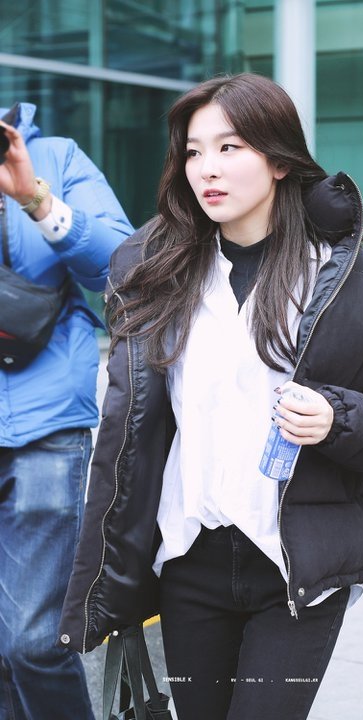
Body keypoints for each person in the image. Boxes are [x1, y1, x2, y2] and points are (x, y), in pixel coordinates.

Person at [59, 73, 363, 720]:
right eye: (193, 151)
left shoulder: (346, 277)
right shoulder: (156, 273)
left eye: (229, 147)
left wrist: (338, 417)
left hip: (296, 570)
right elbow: (132, 430)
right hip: (187, 559)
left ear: (278, 159)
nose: (206, 168)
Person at [0, 102, 133, 719]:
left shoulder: (54, 158)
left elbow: (122, 265)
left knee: (32, 642)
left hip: (45, 420)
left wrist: (34, 198)